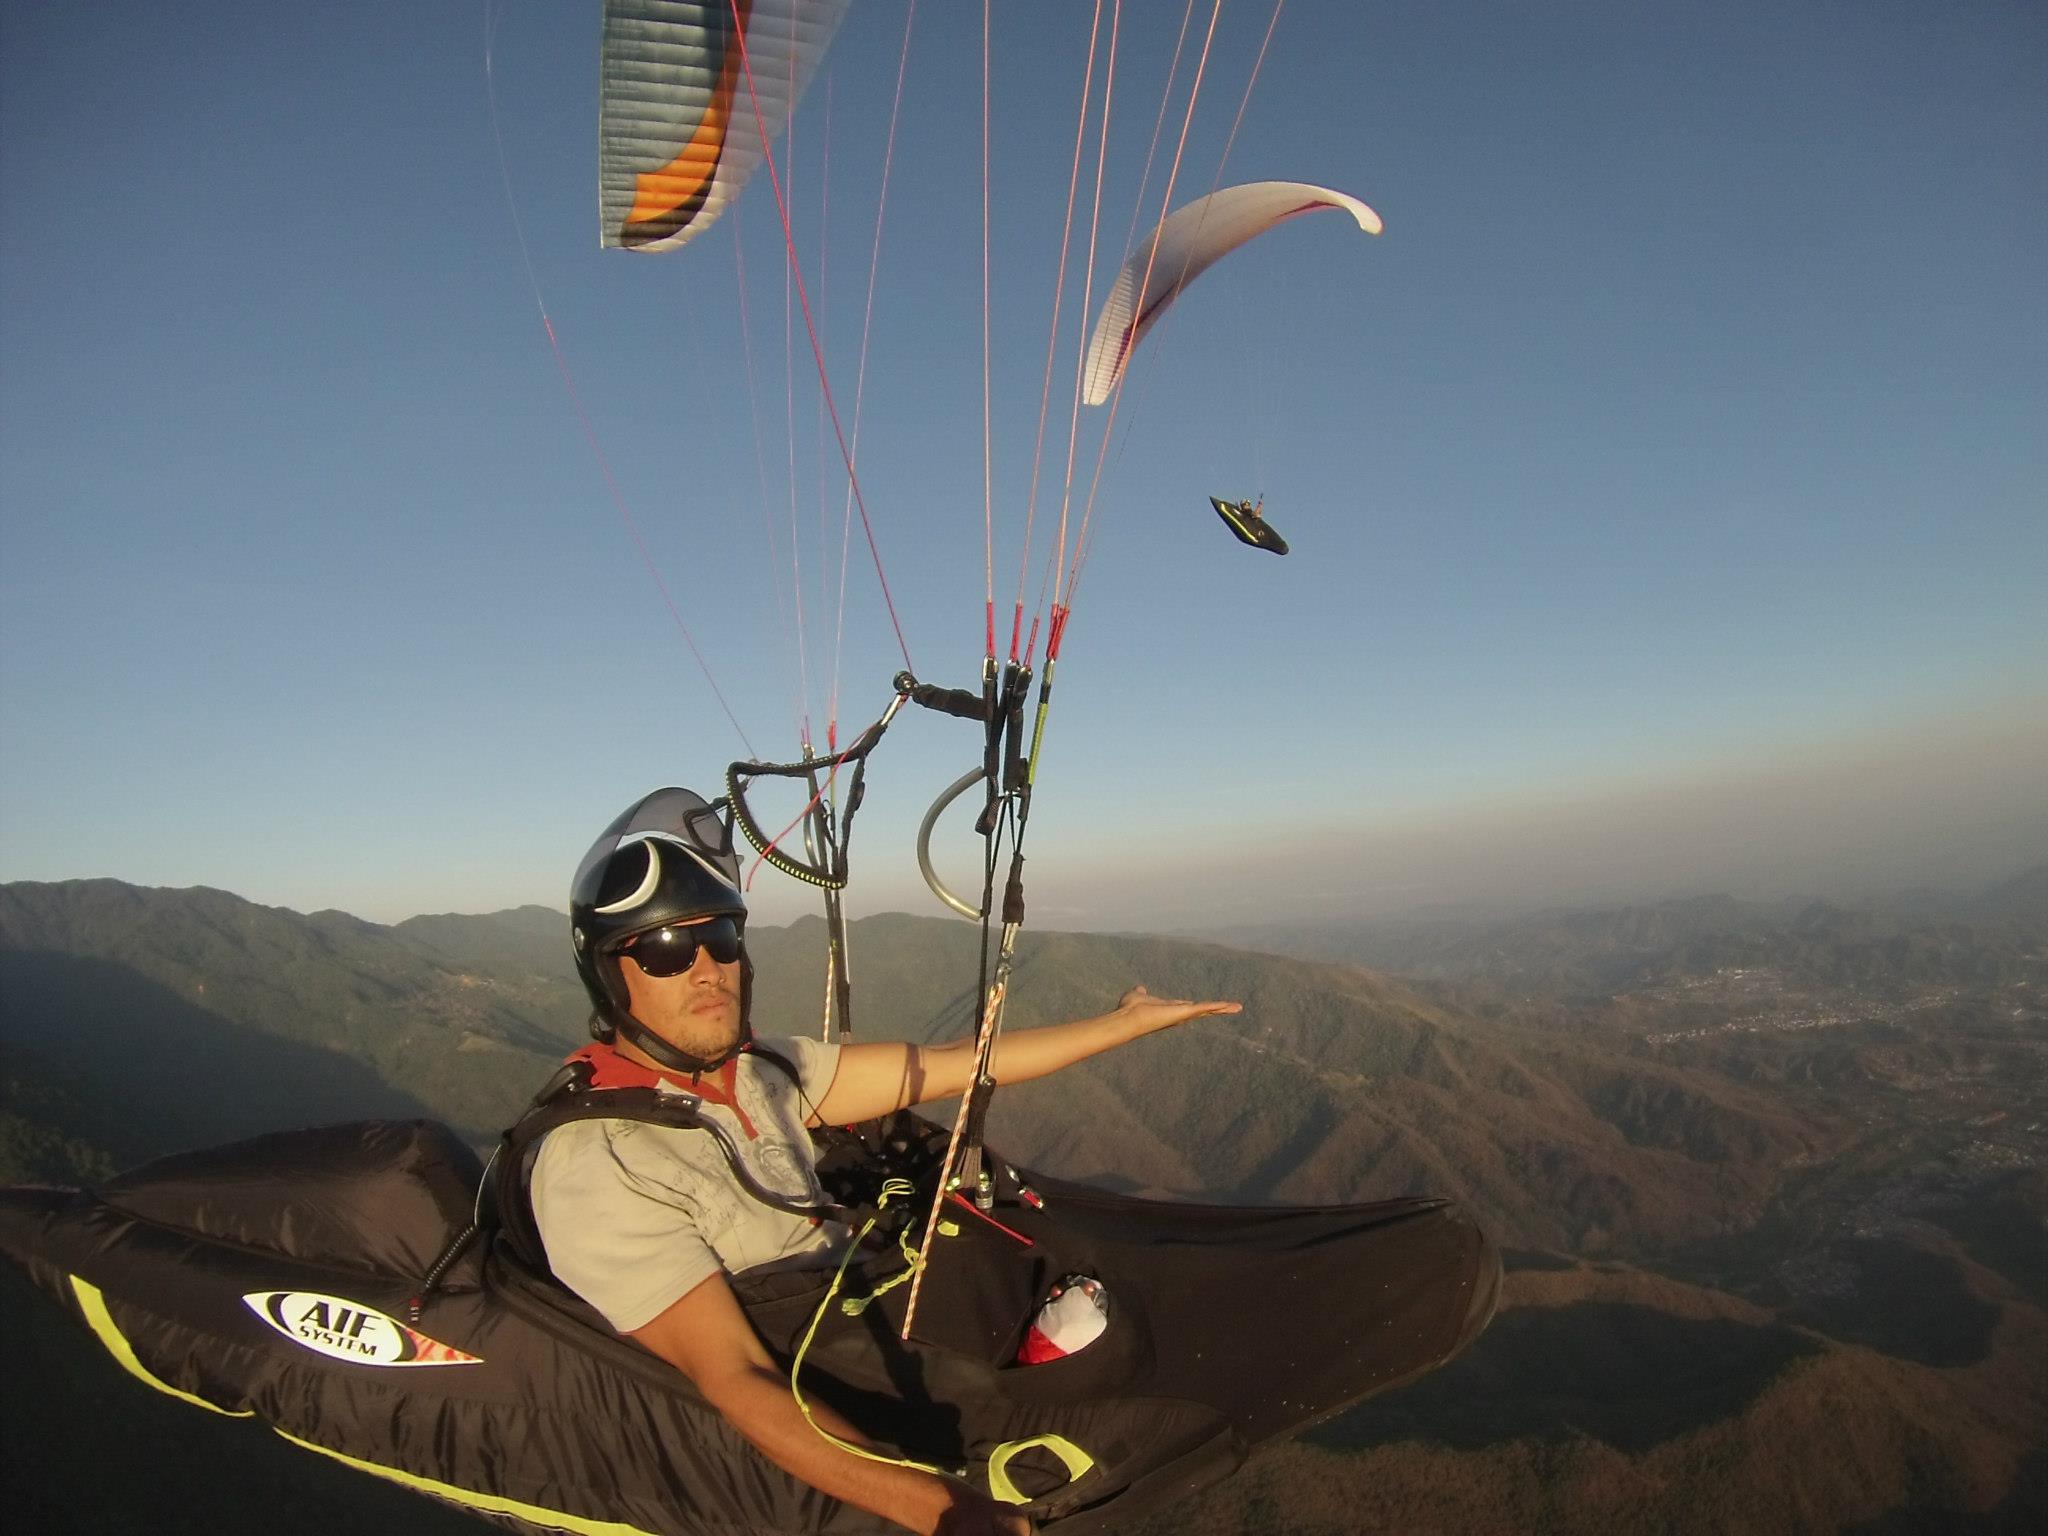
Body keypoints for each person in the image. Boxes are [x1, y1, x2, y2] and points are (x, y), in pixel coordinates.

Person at [530, 788, 1241, 1536]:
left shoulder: (761, 1073)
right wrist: (940, 1509)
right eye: (667, 948)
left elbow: (950, 1065)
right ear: (608, 975)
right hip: (833, 1412)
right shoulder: (596, 1159)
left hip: (876, 1321)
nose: (708, 969)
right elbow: (735, 1378)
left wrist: (1122, 1026)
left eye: (724, 938)